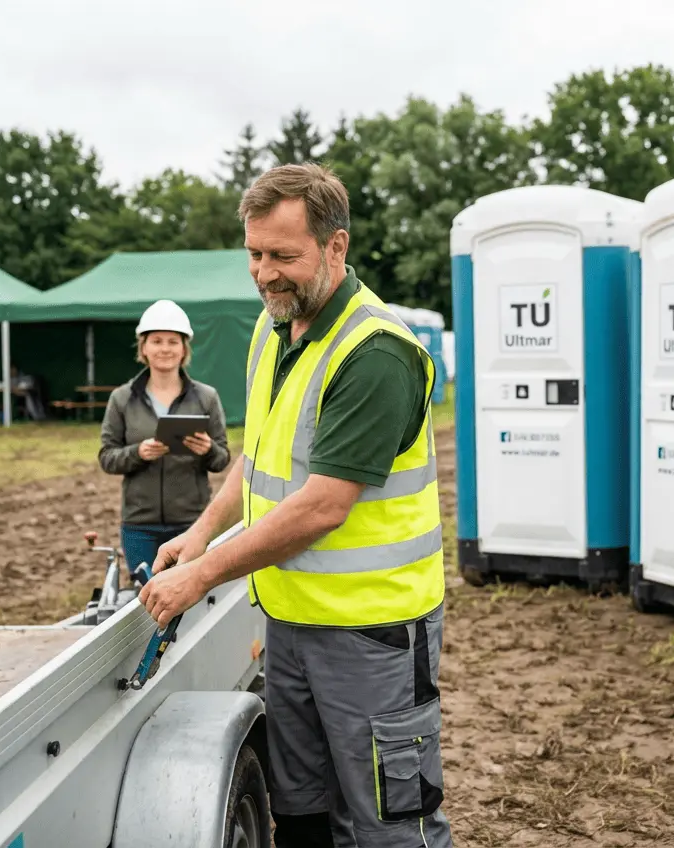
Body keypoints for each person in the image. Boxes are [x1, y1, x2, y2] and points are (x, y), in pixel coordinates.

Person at [138, 163, 452, 848]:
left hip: (374, 637)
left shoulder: (376, 354)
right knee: (302, 812)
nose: (265, 273)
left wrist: (201, 575)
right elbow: (263, 455)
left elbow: (321, 507)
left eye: (284, 255)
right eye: (254, 254)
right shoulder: (274, 327)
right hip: (290, 622)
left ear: (336, 246)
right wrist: (201, 532)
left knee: (391, 827)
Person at [98, 300, 231, 577]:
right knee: (146, 600)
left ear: (184, 349)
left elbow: (222, 459)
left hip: (192, 523)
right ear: (143, 348)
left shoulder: (206, 397)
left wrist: (207, 449)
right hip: (139, 526)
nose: (165, 349)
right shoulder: (122, 399)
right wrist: (138, 453)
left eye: (173, 341)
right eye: (156, 341)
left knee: (189, 598)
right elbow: (107, 457)